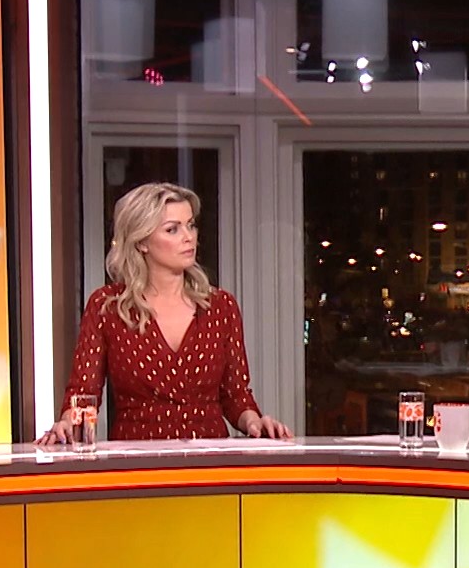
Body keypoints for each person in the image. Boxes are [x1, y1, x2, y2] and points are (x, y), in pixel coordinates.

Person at [40, 182, 290, 443]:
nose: (189, 237)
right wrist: (67, 425)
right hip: (137, 457)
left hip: (209, 459)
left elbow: (236, 395)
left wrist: (255, 421)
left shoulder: (220, 307)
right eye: (173, 229)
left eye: (191, 225)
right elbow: (83, 392)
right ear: (141, 242)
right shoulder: (108, 307)